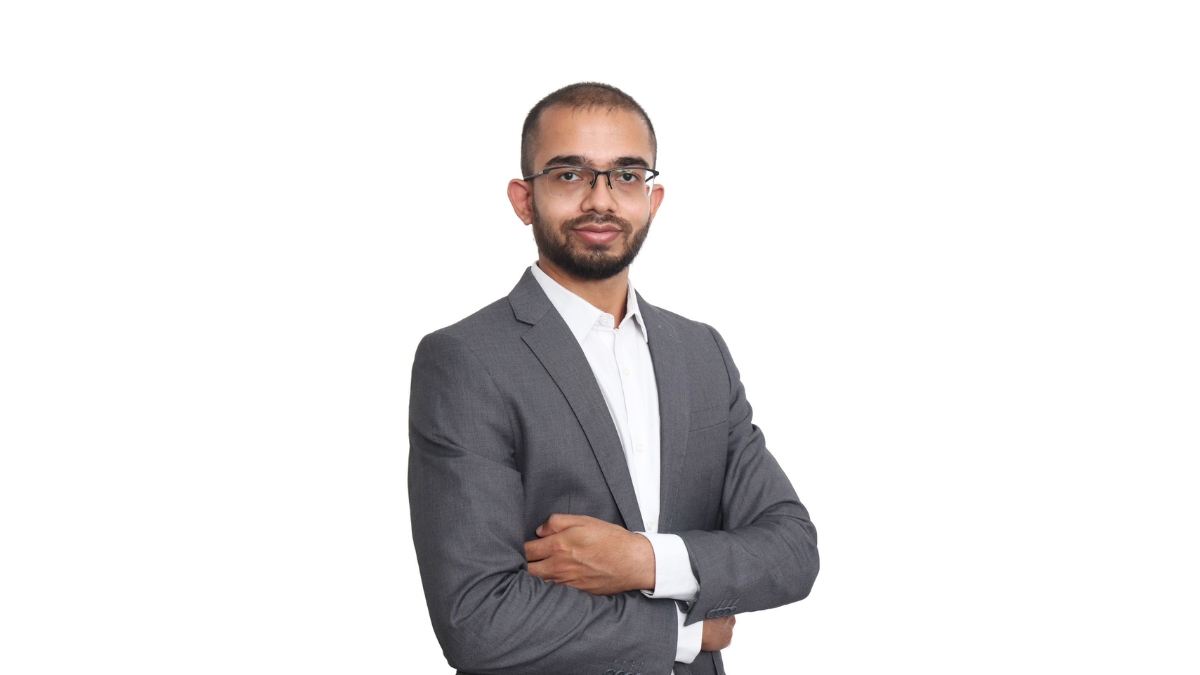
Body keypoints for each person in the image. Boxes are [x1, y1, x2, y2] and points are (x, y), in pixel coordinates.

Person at [408, 82, 819, 675]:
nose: (599, 199)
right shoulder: (467, 359)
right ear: (524, 200)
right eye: (569, 175)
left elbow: (792, 551)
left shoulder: (701, 352)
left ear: (652, 199)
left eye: (626, 175)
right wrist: (682, 632)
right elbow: (477, 619)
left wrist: (643, 561)